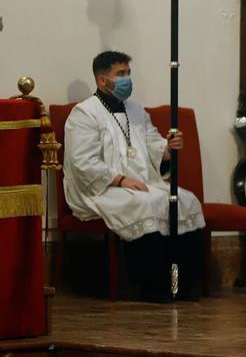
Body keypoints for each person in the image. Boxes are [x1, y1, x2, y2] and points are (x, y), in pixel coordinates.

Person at [63, 51, 205, 301]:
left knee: (185, 199)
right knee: (144, 204)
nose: (127, 79)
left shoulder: (136, 110)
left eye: (128, 73)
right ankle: (153, 286)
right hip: (100, 188)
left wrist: (168, 148)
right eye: (120, 74)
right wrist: (119, 179)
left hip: (139, 182)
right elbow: (82, 162)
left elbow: (151, 142)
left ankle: (182, 283)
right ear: (102, 81)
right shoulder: (84, 114)